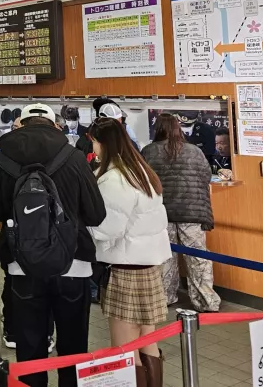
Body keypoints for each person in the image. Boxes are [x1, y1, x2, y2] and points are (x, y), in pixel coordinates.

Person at [0, 103, 106, 387]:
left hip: (22, 263)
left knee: (30, 347)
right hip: (73, 264)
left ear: (20, 125)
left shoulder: (3, 159)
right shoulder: (73, 157)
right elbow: (97, 213)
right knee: (73, 347)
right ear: (56, 126)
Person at [88, 118, 171, 387]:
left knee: (124, 348)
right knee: (147, 341)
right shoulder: (141, 171)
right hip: (148, 267)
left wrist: (83, 227)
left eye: (94, 142)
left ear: (102, 142)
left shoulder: (115, 178)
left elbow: (107, 229)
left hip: (125, 271)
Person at [142, 114, 221, 313]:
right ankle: (205, 301)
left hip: (162, 214)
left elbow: (143, 181)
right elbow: (205, 176)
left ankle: (166, 296)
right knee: (198, 259)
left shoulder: (149, 152)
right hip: (192, 214)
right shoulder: (194, 151)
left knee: (165, 258)